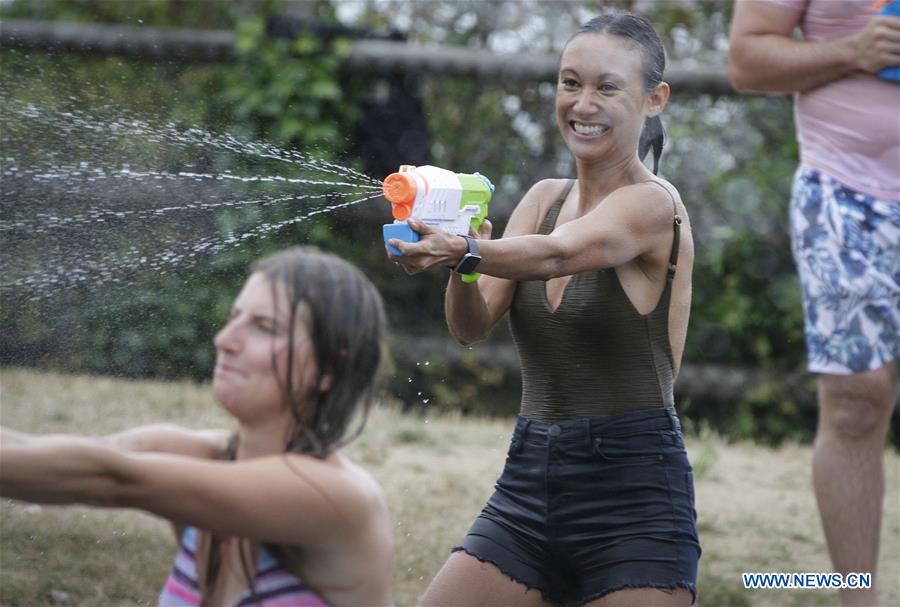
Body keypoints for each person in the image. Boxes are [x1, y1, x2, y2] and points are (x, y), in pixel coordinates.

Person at [387, 12, 699, 607]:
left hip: (633, 497)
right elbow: (471, 327)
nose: (583, 103)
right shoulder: (541, 200)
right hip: (529, 486)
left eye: (607, 86)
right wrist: (461, 258)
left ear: (653, 99)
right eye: (569, 83)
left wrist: (469, 247)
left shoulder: (656, 207)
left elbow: (560, 256)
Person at [0, 246, 393, 607]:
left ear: (328, 368)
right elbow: (38, 452)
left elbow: (110, 478)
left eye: (263, 327)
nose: (224, 340)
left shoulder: (337, 497)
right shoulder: (204, 455)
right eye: (233, 318)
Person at [728, 2, 900, 605]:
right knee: (857, 401)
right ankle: (859, 598)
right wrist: (854, 50)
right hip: (844, 192)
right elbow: (746, 59)